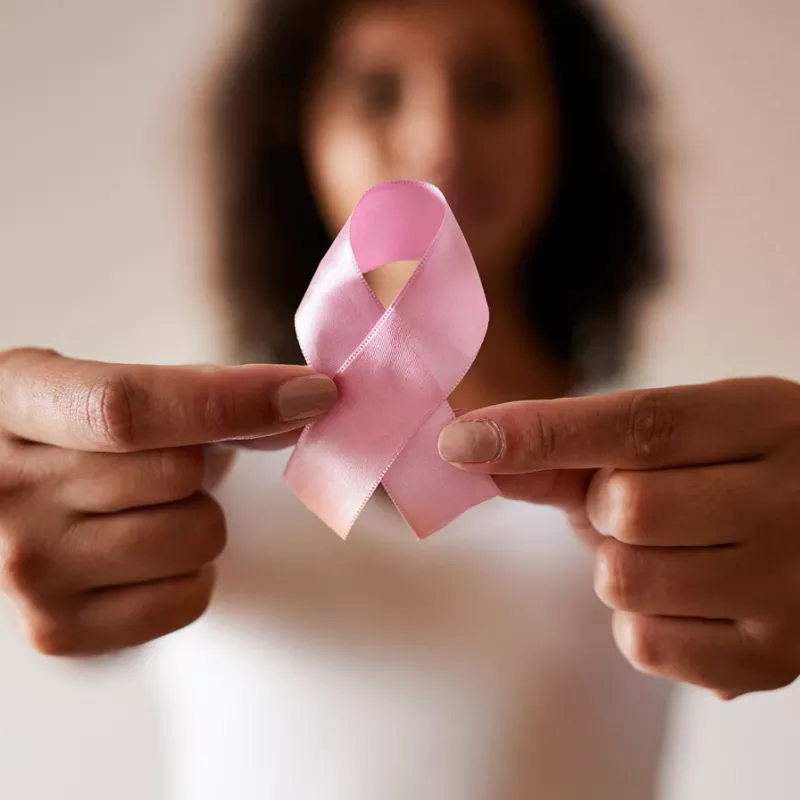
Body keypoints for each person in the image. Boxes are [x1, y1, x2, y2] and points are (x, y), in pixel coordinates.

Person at [0, 0, 797, 798]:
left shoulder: (677, 487)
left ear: (566, 126)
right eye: (378, 93)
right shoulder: (181, 455)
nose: (440, 143)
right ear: (295, 130)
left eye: (490, 91)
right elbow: (80, 618)